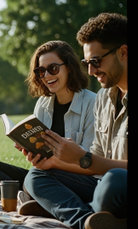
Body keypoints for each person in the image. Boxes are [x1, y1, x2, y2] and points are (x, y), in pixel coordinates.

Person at [24, 13, 127, 229]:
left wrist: (82, 158)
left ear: (124, 52)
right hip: (99, 183)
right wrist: (55, 163)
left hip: (117, 185)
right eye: (87, 63)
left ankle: (63, 208)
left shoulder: (89, 100)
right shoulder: (103, 98)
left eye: (96, 61)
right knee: (35, 176)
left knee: (114, 181)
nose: (90, 71)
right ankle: (86, 221)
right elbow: (96, 162)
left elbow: (94, 162)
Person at [0, 40, 96, 213]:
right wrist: (30, 151)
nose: (46, 75)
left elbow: (93, 161)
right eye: (40, 71)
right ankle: (34, 199)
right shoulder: (43, 103)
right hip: (45, 174)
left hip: (80, 178)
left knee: (35, 177)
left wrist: (54, 163)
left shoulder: (92, 103)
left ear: (69, 67)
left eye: (53, 68)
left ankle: (34, 198)